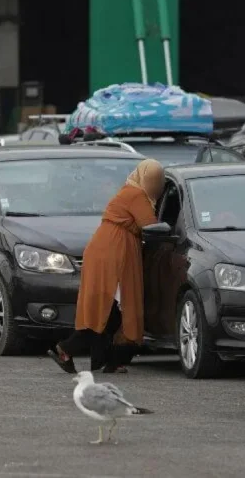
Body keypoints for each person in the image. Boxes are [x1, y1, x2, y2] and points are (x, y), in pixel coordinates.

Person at [48, 159, 164, 374]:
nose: (156, 185)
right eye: (152, 180)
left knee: (110, 309)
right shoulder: (136, 195)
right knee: (112, 308)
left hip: (109, 249)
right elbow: (150, 225)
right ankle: (66, 349)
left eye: (159, 180)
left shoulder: (131, 191)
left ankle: (107, 360)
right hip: (114, 254)